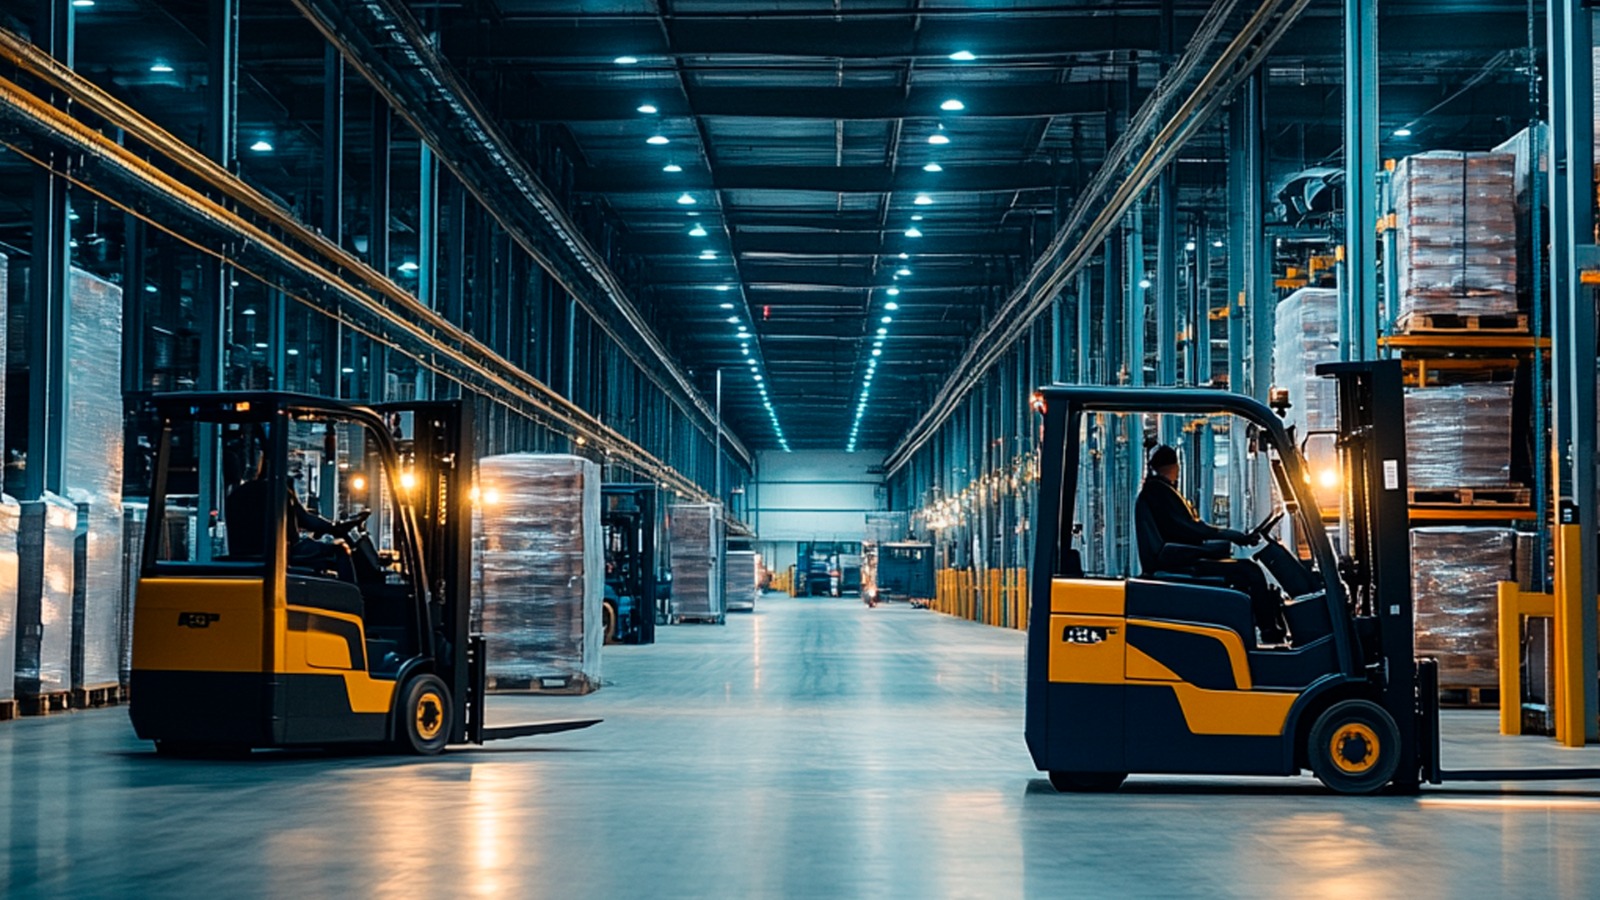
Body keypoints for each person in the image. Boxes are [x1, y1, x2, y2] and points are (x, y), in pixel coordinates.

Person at [1136, 444, 1287, 644]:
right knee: (1250, 572)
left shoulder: (1155, 491)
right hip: (1175, 561)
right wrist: (1232, 535)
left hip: (1176, 556)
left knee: (1242, 571)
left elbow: (1188, 530)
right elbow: (1193, 529)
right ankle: (1269, 632)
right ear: (1174, 466)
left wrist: (1222, 541)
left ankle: (1252, 628)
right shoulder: (1160, 492)